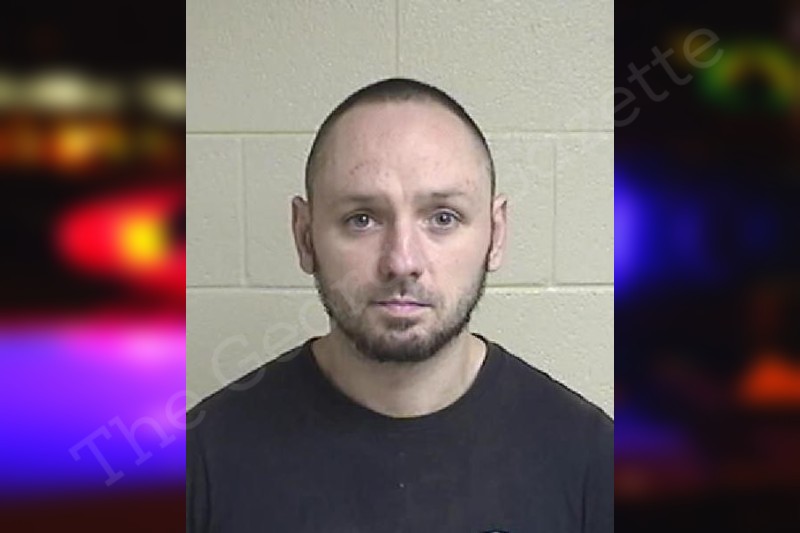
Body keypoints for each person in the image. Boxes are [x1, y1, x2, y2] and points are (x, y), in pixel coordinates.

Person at [186, 77, 613, 532]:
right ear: (305, 236)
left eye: (443, 217)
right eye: (362, 219)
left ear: (496, 234)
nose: (402, 261)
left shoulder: (592, 462)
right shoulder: (200, 461)